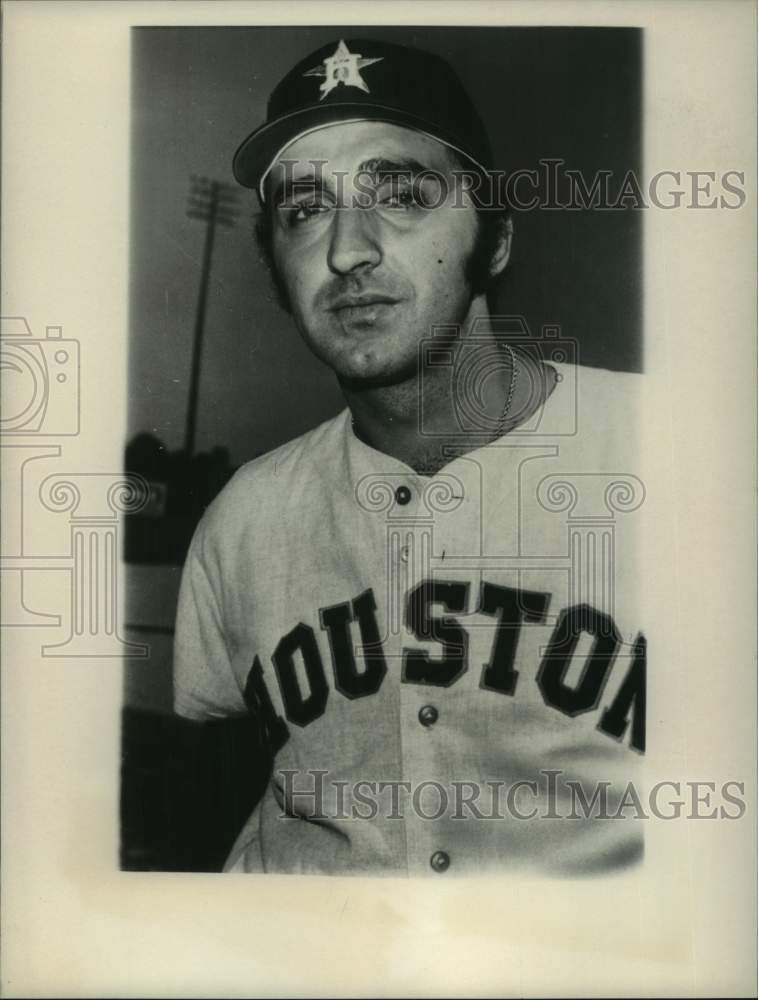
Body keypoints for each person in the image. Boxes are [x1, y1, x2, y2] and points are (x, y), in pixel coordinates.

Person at [173, 37, 647, 876]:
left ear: (494, 239)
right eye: (303, 210)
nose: (348, 249)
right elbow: (213, 774)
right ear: (276, 272)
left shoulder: (680, 452)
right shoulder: (244, 519)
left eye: (400, 194)